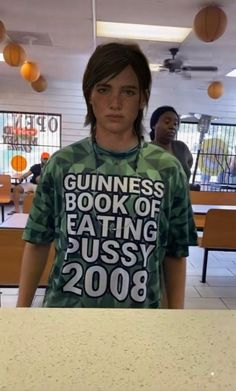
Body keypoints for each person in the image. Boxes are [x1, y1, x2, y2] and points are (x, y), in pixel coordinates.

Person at [17, 42, 197, 309]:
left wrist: (176, 318)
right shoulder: (62, 164)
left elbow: (175, 253)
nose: (115, 103)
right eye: (104, 89)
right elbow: (37, 242)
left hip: (142, 320)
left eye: (128, 91)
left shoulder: (168, 170)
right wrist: (22, 312)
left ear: (142, 98)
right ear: (90, 94)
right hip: (65, 317)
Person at [149, 106, 193, 181]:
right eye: (167, 122)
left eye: (175, 124)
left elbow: (189, 163)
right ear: (154, 125)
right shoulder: (145, 150)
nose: (172, 126)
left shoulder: (181, 148)